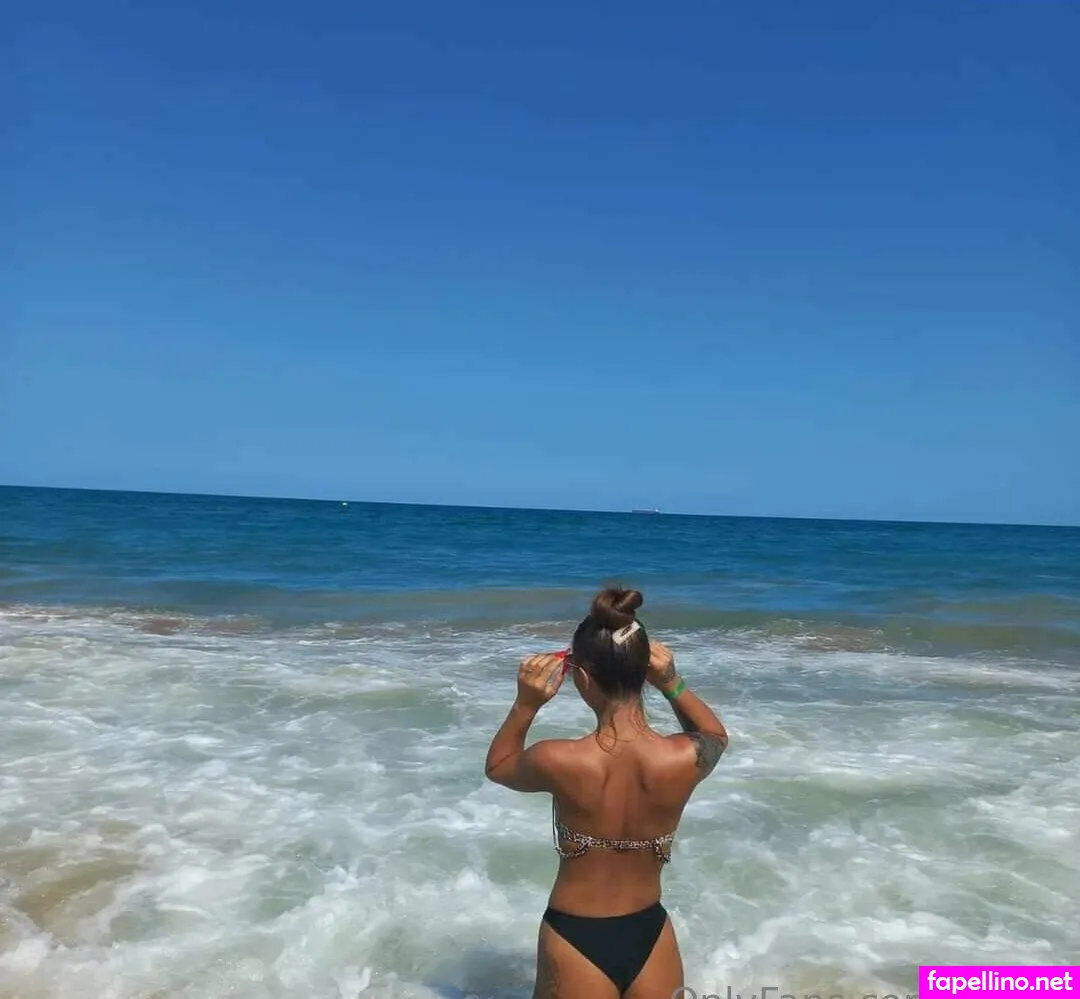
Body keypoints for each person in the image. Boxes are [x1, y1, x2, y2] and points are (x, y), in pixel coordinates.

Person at [484, 586, 729, 999]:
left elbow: (498, 766)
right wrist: (671, 682)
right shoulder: (684, 758)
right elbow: (714, 736)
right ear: (643, 671)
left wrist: (526, 704)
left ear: (581, 676)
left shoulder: (560, 759)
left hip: (575, 936)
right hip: (652, 932)